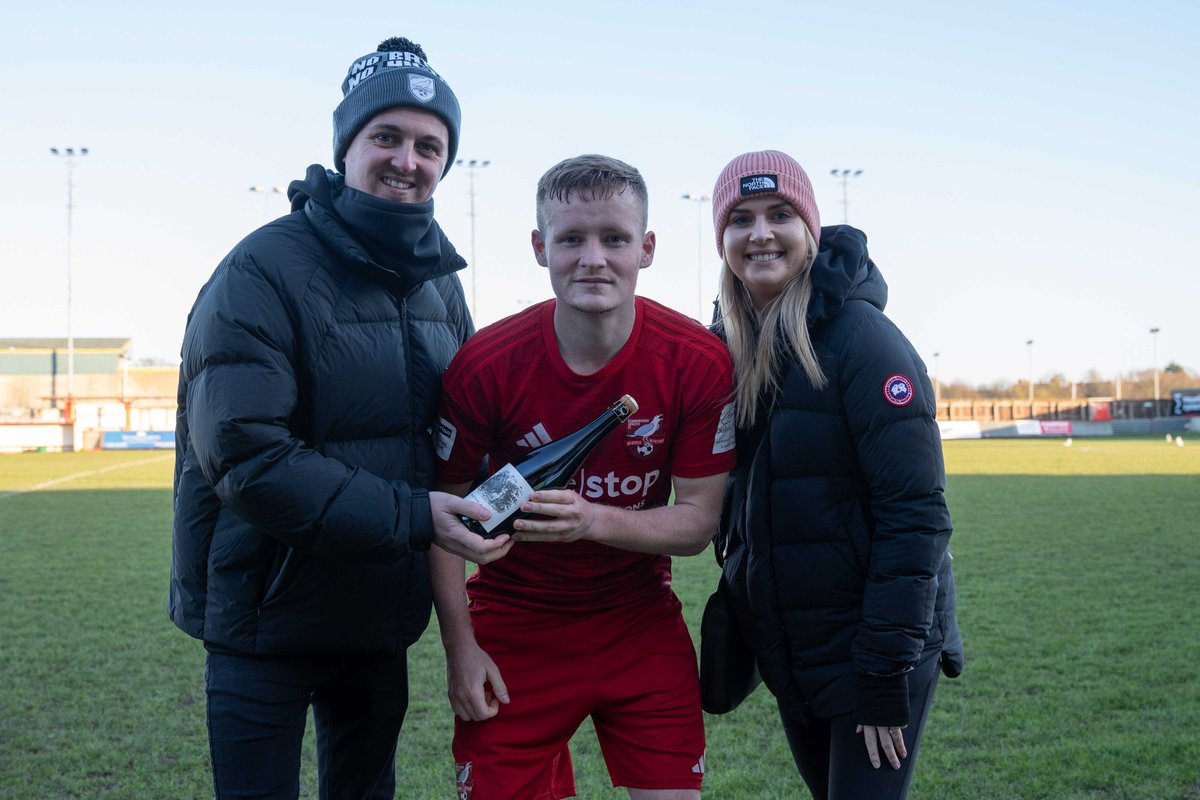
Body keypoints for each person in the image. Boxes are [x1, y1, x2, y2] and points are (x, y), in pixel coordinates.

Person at [169, 37, 512, 799]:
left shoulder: (440, 291)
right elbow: (248, 458)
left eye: (430, 145)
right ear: (346, 148)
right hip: (263, 621)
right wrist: (415, 514)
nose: (407, 159)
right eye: (385, 137)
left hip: (375, 622)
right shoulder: (260, 270)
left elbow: (454, 442)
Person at [431, 154, 737, 800]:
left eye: (614, 238)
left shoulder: (698, 362)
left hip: (638, 620)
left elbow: (699, 522)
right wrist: (460, 650)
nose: (592, 258)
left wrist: (592, 520)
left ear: (646, 248)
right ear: (541, 247)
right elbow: (442, 521)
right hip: (515, 624)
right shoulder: (484, 365)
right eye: (571, 239)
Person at [707, 150, 964, 800]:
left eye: (779, 214)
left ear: (811, 231)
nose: (760, 232)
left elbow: (917, 517)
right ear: (722, 239)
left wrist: (882, 673)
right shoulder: (729, 347)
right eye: (740, 219)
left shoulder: (863, 340)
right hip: (795, 648)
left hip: (874, 652)